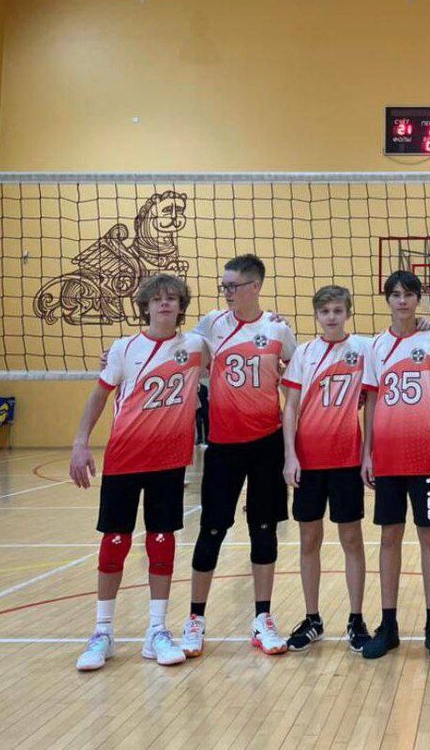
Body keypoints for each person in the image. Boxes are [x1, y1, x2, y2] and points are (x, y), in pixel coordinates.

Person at [70, 274, 205, 671]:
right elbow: (99, 396)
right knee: (115, 540)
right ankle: (103, 632)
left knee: (162, 541)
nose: (165, 303)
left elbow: (238, 342)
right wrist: (80, 442)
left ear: (181, 307)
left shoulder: (196, 346)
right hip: (125, 458)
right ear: (145, 305)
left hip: (168, 460)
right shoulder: (123, 348)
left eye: (173, 298)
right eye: (157, 298)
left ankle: (157, 630)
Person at [181, 254, 297, 658]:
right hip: (223, 446)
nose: (227, 292)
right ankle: (195, 620)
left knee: (263, 530)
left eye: (233, 285)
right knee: (211, 529)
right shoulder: (211, 324)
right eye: (224, 286)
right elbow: (172, 345)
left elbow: (296, 381)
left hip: (267, 443)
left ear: (255, 286)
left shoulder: (278, 329)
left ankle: (262, 618)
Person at [360, 270, 430, 660]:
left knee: (429, 536)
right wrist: (367, 453)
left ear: (419, 299)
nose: (402, 300)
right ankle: (388, 625)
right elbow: (371, 401)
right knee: (389, 538)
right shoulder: (376, 345)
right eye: (396, 294)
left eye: (409, 294)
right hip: (388, 457)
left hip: (427, 456)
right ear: (388, 300)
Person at [280, 285, 373, 652]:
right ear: (317, 315)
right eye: (325, 311)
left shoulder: (364, 348)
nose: (331, 317)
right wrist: (290, 455)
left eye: (337, 310)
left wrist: (424, 323)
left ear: (348, 312)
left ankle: (356, 618)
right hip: (309, 460)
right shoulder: (304, 353)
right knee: (309, 540)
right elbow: (290, 407)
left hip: (347, 459)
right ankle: (313, 618)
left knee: (351, 539)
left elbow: (402, 338)